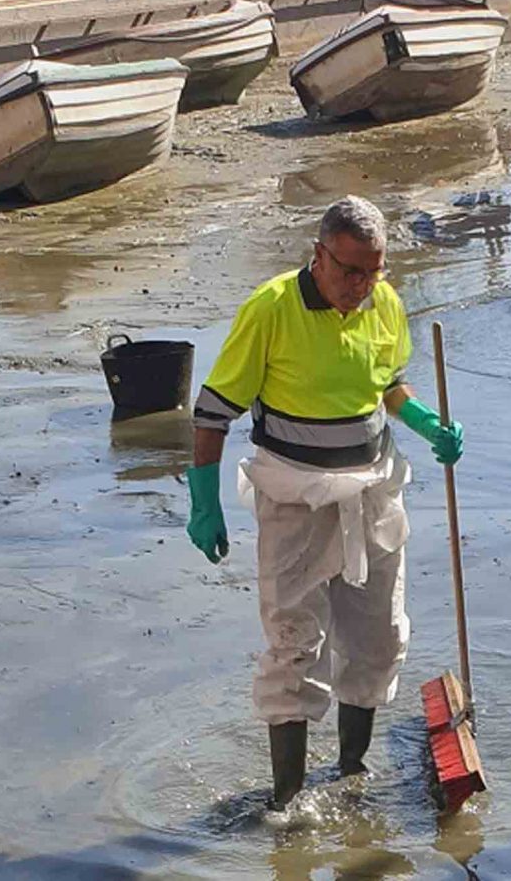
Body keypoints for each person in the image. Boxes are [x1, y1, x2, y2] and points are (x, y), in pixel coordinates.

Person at [186, 196, 464, 810]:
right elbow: (213, 413)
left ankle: (351, 774)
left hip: (372, 490)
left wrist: (423, 420)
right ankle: (285, 802)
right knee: (293, 645)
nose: (361, 287)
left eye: (374, 272)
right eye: (350, 272)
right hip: (294, 496)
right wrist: (203, 499)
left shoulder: (383, 303)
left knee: (378, 637)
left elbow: (388, 383)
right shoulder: (272, 308)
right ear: (318, 256)